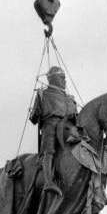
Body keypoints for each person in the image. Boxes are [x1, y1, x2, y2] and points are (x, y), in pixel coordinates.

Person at [30, 66, 78, 196]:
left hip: (67, 128)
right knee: (49, 151)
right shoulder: (43, 94)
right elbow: (34, 118)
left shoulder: (69, 98)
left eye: (64, 78)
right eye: (62, 78)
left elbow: (33, 117)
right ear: (54, 79)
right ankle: (49, 181)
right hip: (52, 126)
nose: (65, 81)